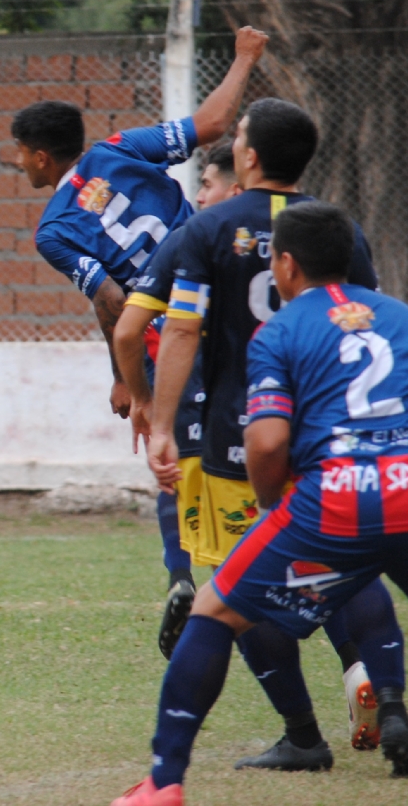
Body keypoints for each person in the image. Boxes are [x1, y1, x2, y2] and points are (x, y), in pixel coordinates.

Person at [111, 202, 408, 806]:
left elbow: (267, 441)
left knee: (213, 613)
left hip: (335, 501)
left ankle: (163, 782)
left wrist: (272, 503)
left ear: (285, 265)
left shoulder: (280, 331)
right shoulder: (407, 319)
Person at [137, 97, 405, 770]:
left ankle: (303, 736)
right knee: (349, 564)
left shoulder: (209, 226)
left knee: (238, 587)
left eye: (239, 135)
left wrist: (161, 423)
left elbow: (179, 328)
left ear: (248, 155)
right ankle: (385, 695)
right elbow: (364, 319)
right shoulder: (335, 228)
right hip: (327, 437)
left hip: (238, 438)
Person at [14, 25, 268, 653]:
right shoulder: (119, 148)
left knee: (172, 456)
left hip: (171, 334)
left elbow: (111, 301)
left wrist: (131, 384)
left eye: (18, 153)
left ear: (41, 157)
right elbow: (212, 123)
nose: (17, 162)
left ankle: (187, 578)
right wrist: (244, 58)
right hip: (232, 305)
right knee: (262, 444)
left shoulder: (53, 230)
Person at [113, 143, 241, 656]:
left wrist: (145, 402)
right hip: (282, 402)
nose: (199, 196)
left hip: (203, 388)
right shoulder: (313, 229)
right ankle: (361, 666)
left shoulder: (193, 236)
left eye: (206, 184)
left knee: (179, 481)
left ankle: (183, 579)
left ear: (238, 181)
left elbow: (133, 328)